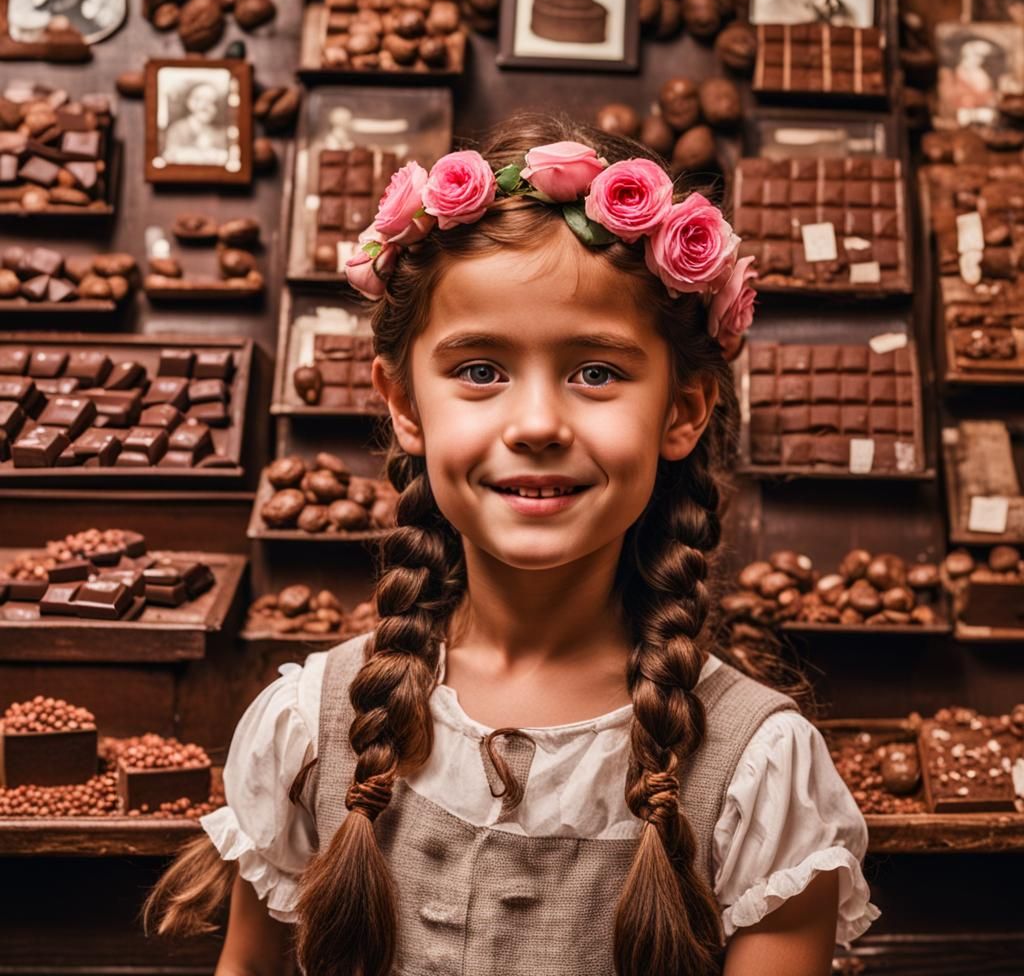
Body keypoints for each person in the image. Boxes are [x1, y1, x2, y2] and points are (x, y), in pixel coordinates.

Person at [145, 114, 877, 976]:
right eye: (481, 371)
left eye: (596, 373)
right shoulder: (311, 731)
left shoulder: (757, 769)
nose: (535, 424)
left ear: (683, 410)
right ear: (404, 404)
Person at [161, 81, 229, 166]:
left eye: (212, 102)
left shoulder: (219, 134)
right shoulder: (177, 129)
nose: (206, 106)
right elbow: (170, 157)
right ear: (189, 102)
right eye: (200, 99)